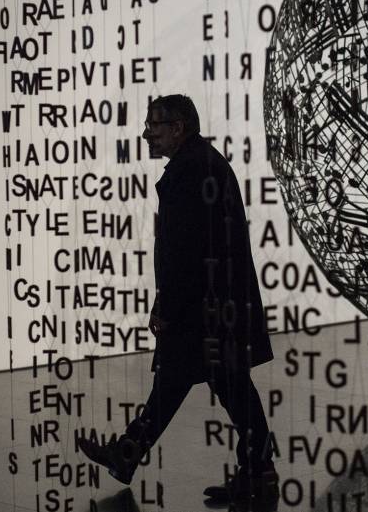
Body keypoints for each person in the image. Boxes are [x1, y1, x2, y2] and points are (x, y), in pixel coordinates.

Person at [77, 95, 278, 509]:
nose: (146, 133)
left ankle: (131, 453)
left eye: (155, 125)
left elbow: (184, 249)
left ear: (178, 127)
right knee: (218, 385)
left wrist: (166, 306)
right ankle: (256, 472)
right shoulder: (200, 163)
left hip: (205, 308)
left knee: (201, 383)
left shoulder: (190, 170)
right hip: (214, 304)